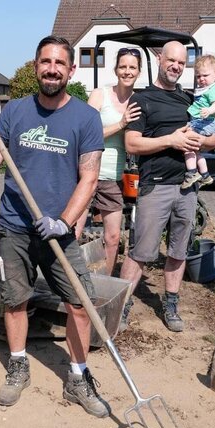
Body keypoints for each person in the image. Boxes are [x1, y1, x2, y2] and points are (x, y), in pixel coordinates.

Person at [0, 36, 109, 417]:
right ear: (35, 65)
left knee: (80, 302)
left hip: (60, 232)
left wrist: (64, 222)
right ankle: (17, 364)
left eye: (60, 63)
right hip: (14, 225)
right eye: (46, 62)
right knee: (15, 299)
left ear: (71, 70)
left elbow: (89, 178)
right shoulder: (14, 112)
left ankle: (78, 376)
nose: (52, 69)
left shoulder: (86, 119)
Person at [118, 41, 215, 333]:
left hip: (187, 188)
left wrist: (201, 141)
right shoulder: (142, 99)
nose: (176, 66)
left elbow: (213, 140)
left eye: (181, 63)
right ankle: (121, 304)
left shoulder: (191, 99)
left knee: (178, 251)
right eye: (171, 60)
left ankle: (171, 302)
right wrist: (170, 141)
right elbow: (131, 143)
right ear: (160, 59)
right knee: (141, 251)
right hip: (155, 186)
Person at [74, 47, 143, 275]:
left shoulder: (138, 101)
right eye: (123, 66)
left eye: (132, 67)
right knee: (73, 231)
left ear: (139, 71)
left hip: (113, 177)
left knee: (113, 237)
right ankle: (66, 280)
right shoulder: (99, 94)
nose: (127, 71)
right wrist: (121, 124)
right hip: (87, 173)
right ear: (116, 69)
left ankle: (106, 281)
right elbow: (86, 133)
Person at [181, 54, 215, 189]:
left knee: (186, 145)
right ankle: (205, 175)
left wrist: (210, 110)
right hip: (200, 122)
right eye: (198, 76)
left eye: (205, 75)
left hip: (203, 123)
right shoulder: (205, 89)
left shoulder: (214, 89)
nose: (201, 79)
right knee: (197, 152)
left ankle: (192, 173)